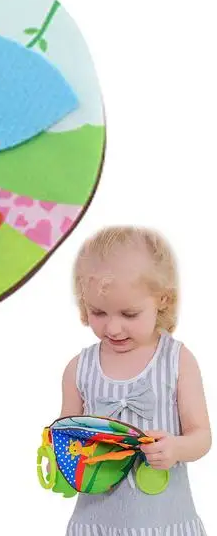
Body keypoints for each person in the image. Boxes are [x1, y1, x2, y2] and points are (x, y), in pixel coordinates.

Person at [60, 226, 211, 535]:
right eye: (98, 312)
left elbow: (202, 437)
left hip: (165, 523)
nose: (113, 328)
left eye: (129, 314)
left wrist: (176, 448)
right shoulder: (79, 368)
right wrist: (61, 459)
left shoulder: (177, 360)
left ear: (162, 300)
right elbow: (66, 438)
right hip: (96, 523)